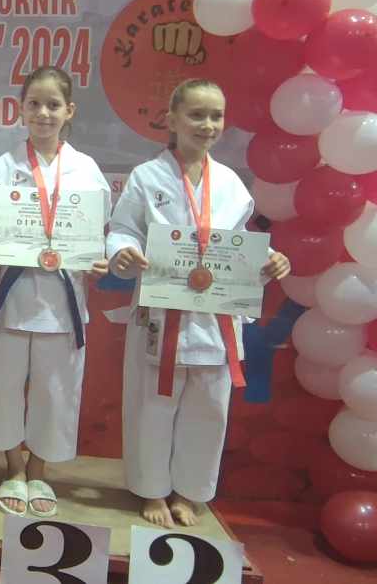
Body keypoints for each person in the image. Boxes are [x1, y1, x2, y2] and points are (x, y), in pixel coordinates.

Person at [107, 78, 291, 527]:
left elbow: (238, 242)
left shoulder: (231, 183)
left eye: (216, 116)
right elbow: (123, 229)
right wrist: (122, 252)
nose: (208, 124)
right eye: (196, 115)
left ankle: (189, 492)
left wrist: (269, 259)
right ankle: (152, 490)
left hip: (214, 316)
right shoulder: (147, 177)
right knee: (153, 404)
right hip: (161, 311)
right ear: (172, 120)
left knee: (208, 407)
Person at [0, 66, 109, 517]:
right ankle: (12, 467)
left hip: (63, 303)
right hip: (12, 297)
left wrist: (98, 257)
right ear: (21, 109)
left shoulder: (87, 170)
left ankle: (39, 470)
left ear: (70, 111)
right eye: (34, 104)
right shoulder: (2, 167)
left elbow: (96, 233)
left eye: (53, 105)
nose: (43, 113)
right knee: (4, 386)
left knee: (56, 389)